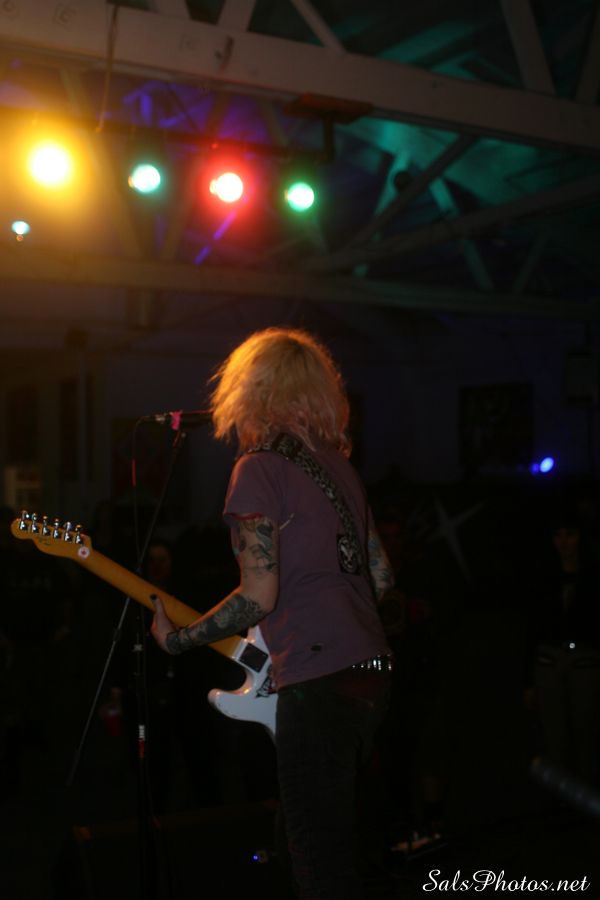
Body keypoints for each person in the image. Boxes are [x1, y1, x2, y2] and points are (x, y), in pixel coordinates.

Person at [151, 327, 394, 899]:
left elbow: (258, 595)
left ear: (250, 391)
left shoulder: (258, 468)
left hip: (318, 681)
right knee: (304, 841)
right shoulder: (338, 468)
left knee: (318, 867)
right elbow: (381, 577)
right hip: (372, 674)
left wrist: (179, 639)